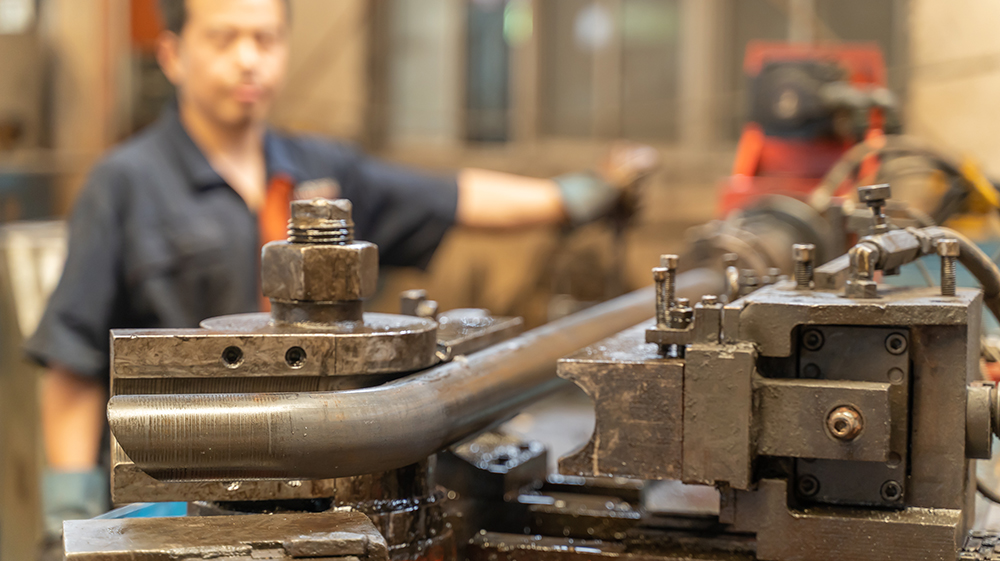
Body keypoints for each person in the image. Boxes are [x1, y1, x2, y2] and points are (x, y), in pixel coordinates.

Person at [24, 0, 657, 536]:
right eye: (224, 39)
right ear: (172, 54)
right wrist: (69, 515)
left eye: (265, 39)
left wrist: (578, 195)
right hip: (177, 491)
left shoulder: (320, 171)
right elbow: (75, 366)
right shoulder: (125, 184)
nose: (248, 59)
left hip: (317, 482)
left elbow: (453, 196)